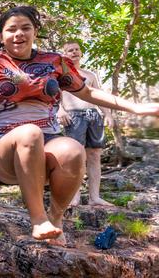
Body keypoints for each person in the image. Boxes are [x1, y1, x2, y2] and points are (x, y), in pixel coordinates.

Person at [0, 6, 159, 245]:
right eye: (11, 29)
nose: (19, 34)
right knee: (29, 133)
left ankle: (55, 219)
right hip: (4, 150)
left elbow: (88, 92)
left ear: (36, 31)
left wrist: (137, 108)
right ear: (0, 36)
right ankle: (38, 219)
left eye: (26, 28)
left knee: (73, 149)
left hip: (47, 145)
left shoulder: (54, 62)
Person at [58, 40, 114, 206]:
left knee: (95, 155)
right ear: (64, 54)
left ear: (81, 52)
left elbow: (98, 96)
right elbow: (53, 96)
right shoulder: (61, 74)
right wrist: (60, 110)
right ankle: (74, 197)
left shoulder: (90, 75)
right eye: (70, 50)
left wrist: (108, 114)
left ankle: (94, 197)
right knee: (75, 157)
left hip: (93, 116)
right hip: (74, 117)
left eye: (76, 49)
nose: (74, 52)